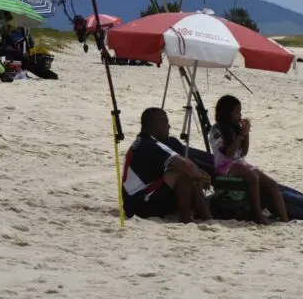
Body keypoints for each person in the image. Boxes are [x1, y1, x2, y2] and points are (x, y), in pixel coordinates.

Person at [122, 108, 213, 223]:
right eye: (166, 122)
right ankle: (188, 219)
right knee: (185, 175)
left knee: (181, 172)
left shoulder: (142, 141)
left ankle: (204, 215)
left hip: (134, 201)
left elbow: (180, 165)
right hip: (139, 205)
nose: (169, 126)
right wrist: (201, 176)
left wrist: (198, 173)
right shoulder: (152, 145)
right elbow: (187, 166)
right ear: (157, 123)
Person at [210, 95, 290, 225]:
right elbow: (229, 154)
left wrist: (246, 133)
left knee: (272, 184)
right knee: (253, 177)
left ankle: (285, 219)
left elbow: (244, 151)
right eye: (237, 112)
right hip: (225, 165)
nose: (239, 115)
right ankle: (257, 214)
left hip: (238, 163)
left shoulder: (234, 129)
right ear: (227, 113)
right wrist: (241, 134)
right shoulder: (216, 130)